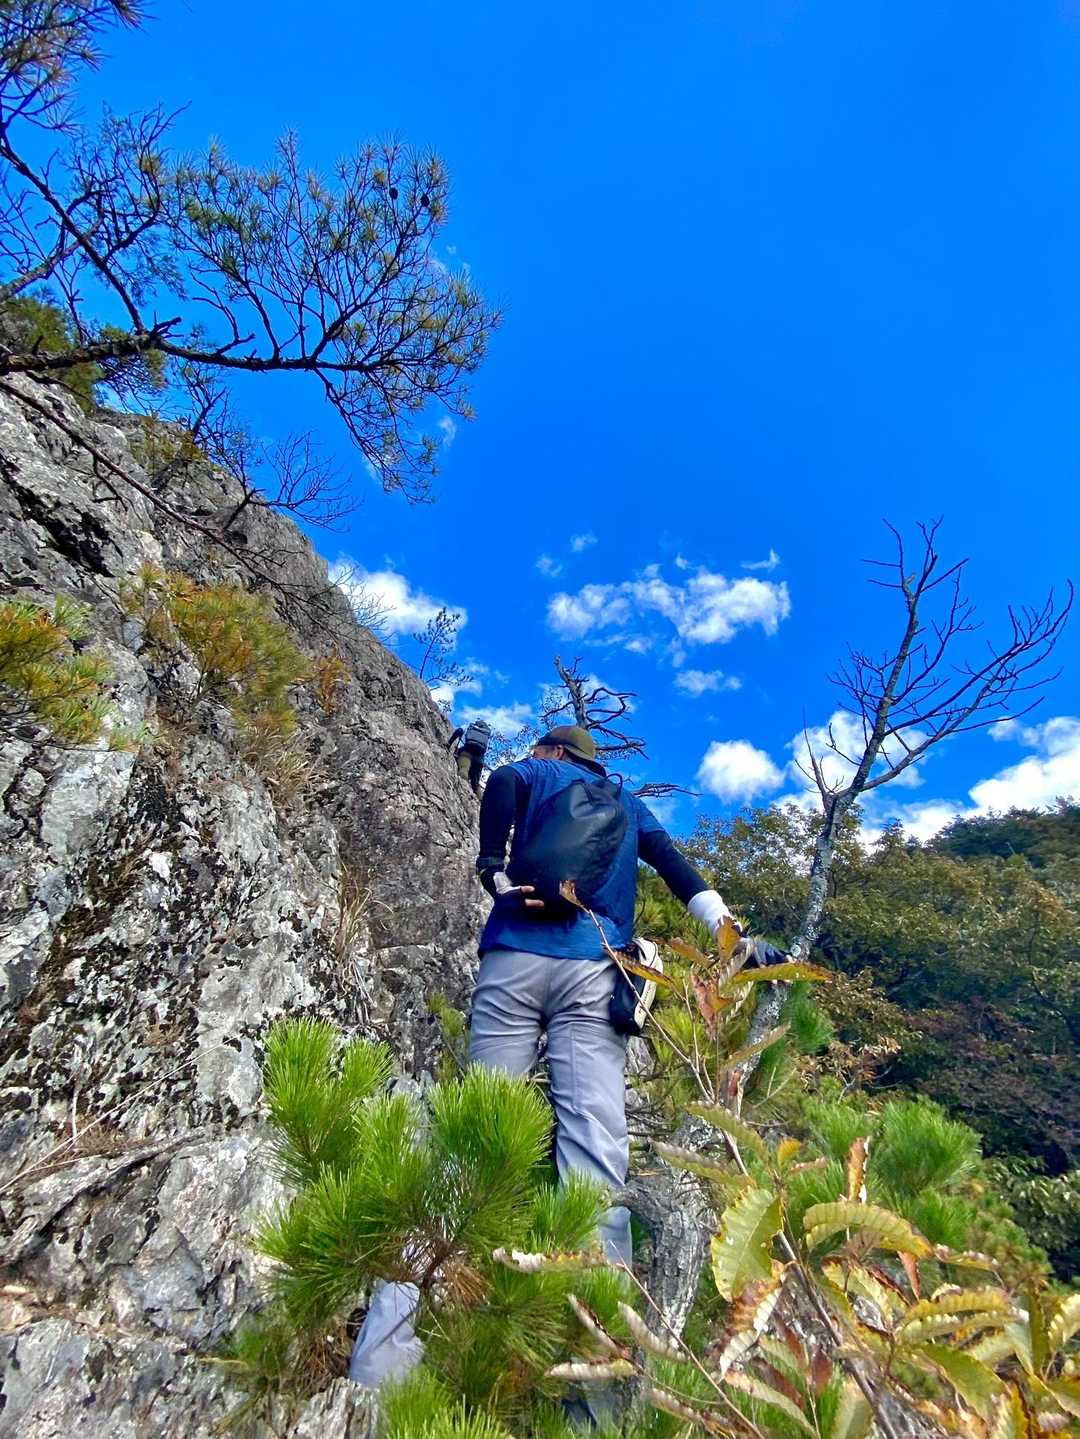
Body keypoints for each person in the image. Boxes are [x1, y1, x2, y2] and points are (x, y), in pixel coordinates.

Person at [350, 723, 735, 1388]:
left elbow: (501, 780)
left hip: (514, 959)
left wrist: (491, 866)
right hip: (595, 969)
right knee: (594, 1149)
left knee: (470, 1138)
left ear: (553, 750)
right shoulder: (625, 801)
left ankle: (384, 1360)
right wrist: (731, 934)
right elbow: (676, 868)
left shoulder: (539, 772)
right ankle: (591, 1377)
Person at [446, 718, 491, 794]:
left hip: (466, 754)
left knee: (463, 772)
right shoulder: (485, 735)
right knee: (475, 785)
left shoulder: (471, 729)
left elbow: (459, 731)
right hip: (479, 760)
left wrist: (448, 745)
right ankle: (480, 799)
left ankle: (460, 793)